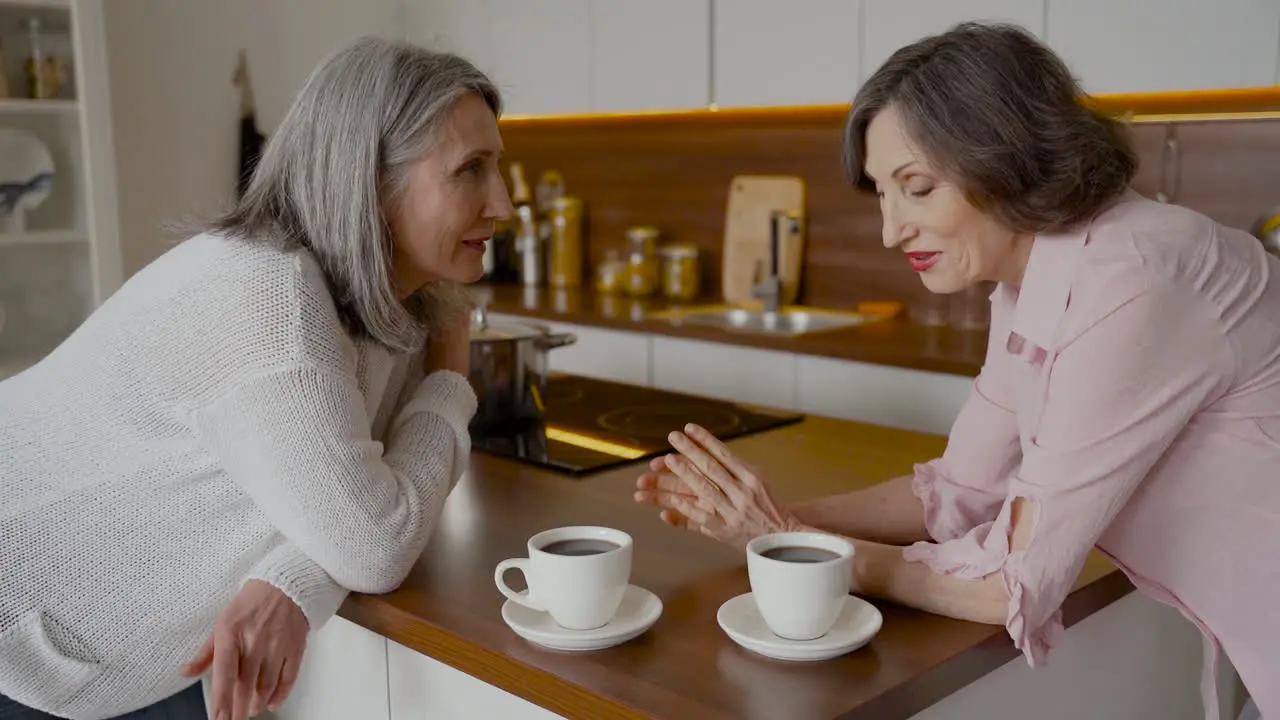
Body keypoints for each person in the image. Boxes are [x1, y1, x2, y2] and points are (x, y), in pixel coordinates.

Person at [635, 22, 1274, 720]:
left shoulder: (1133, 279)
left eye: (916, 187)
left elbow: (1010, 584)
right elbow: (959, 493)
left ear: (1005, 157)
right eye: (883, 193)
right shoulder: (1028, 280)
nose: (891, 230)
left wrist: (798, 546)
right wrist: (769, 524)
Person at [0, 37, 512, 720]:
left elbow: (358, 494)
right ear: (370, 179)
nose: (503, 204)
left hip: (136, 667)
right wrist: (451, 377)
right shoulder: (267, 300)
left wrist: (291, 581)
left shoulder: (399, 302)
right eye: (470, 170)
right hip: (22, 650)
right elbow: (378, 540)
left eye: (499, 168)